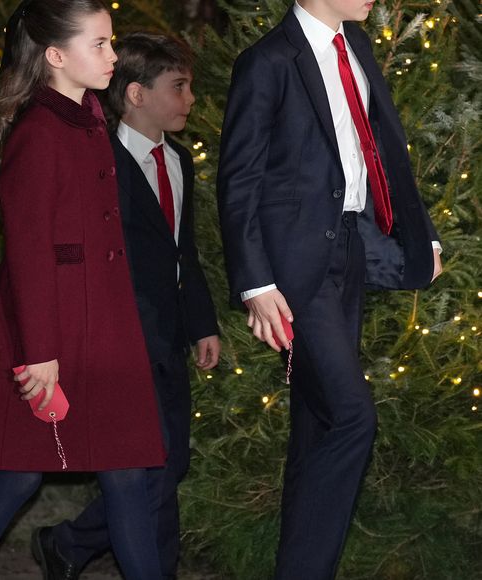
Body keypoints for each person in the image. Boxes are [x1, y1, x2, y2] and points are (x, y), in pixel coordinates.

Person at [0, 2, 168, 579]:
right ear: (55, 56)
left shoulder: (87, 113)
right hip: (49, 333)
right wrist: (39, 353)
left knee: (126, 472)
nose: (114, 56)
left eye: (111, 43)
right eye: (100, 45)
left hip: (102, 329)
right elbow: (28, 253)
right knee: (17, 478)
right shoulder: (40, 131)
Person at [217, 1, 443, 578]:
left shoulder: (357, 49)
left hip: (350, 250)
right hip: (294, 274)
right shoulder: (267, 61)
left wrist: (423, 238)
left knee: (316, 427)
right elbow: (237, 178)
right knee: (352, 417)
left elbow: (385, 151)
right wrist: (256, 282)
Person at [31, 33, 221, 580]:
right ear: (136, 94)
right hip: (123, 335)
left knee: (171, 462)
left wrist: (202, 322)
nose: (190, 99)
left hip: (171, 333)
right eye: (179, 87)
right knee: (147, 464)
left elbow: (184, 251)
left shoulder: (180, 161)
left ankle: (69, 542)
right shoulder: (102, 161)